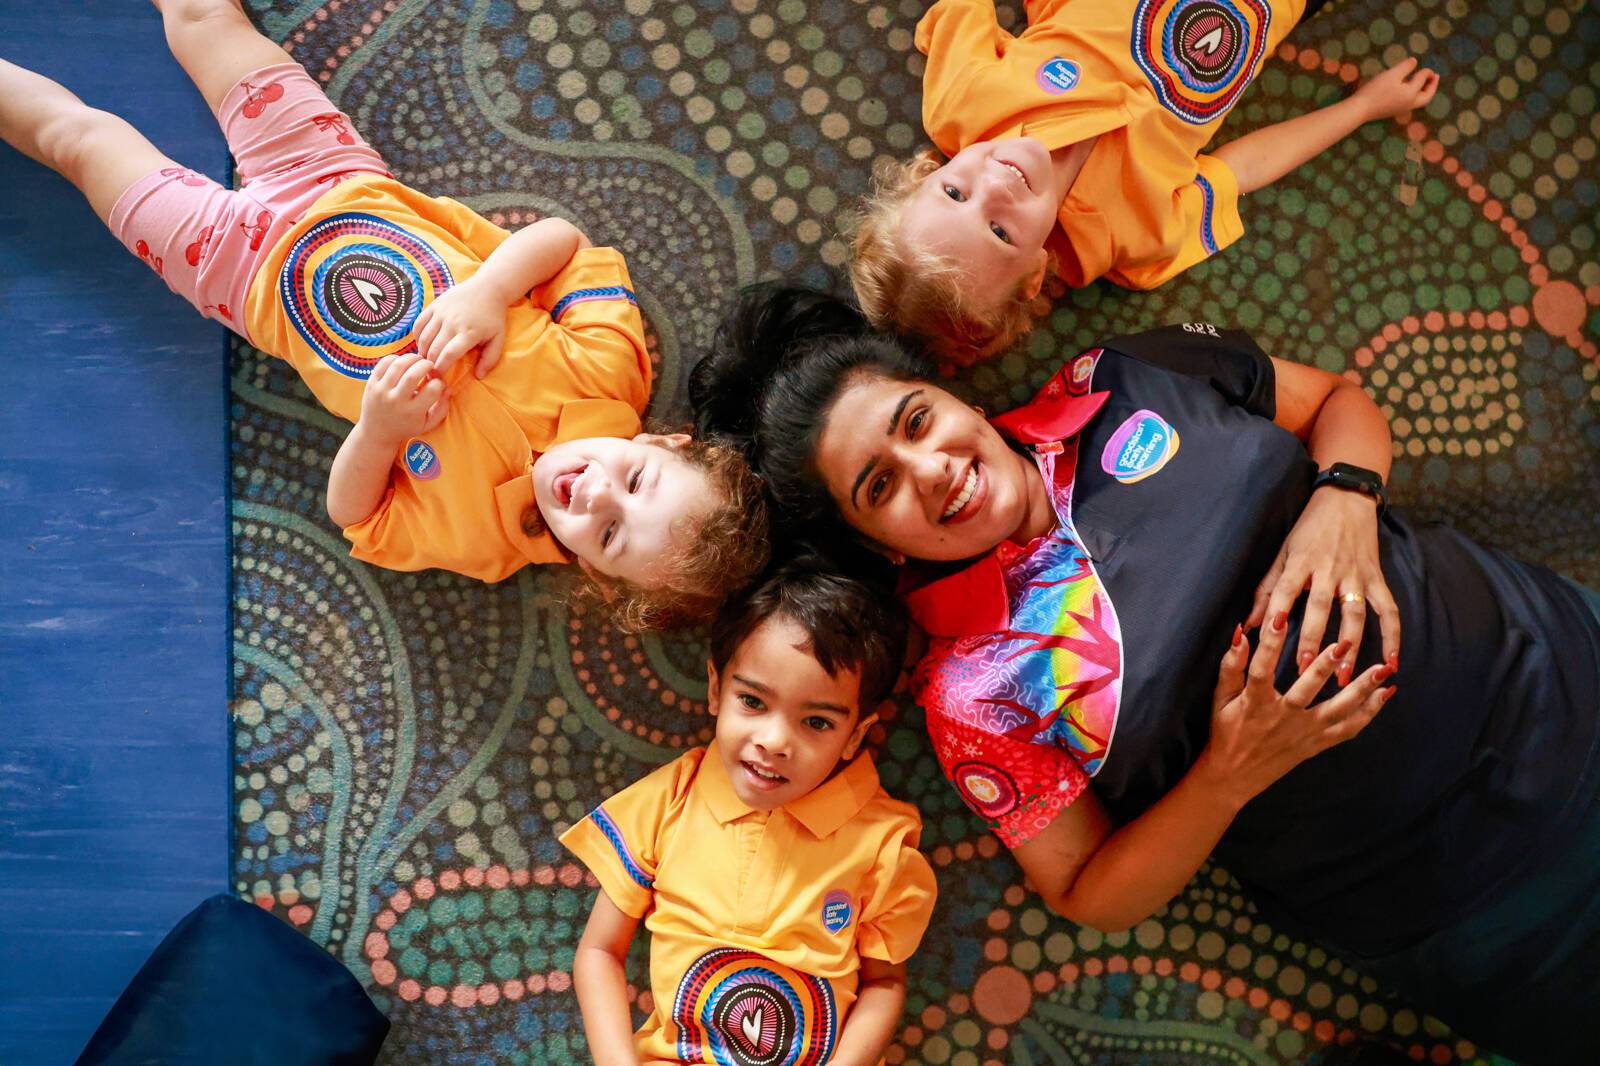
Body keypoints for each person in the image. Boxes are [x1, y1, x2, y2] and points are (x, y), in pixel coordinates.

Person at [691, 284, 1600, 1064]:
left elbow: (1341, 407)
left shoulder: (1121, 375)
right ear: (868, 540)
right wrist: (1228, 774)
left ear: (944, 391)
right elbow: (1089, 890)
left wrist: (1344, 499)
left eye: (917, 420)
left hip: (1560, 660)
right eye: (879, 486)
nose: (934, 471)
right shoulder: (973, 691)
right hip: (1483, 905)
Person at [0, 0, 767, 627]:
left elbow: (356, 516)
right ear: (666, 440)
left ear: (596, 576)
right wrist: (490, 292)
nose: (595, 495)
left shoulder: (487, 540)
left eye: (607, 535)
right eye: (635, 481)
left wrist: (379, 432)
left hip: (236, 271)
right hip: (330, 176)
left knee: (78, 141)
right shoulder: (611, 370)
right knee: (205, 22)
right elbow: (564, 244)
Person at [849, 0, 1440, 365]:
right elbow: (1244, 169)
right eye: (1000, 231)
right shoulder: (1135, 242)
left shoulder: (962, 103)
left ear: (929, 172)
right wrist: (1361, 108)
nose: (995, 187)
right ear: (1034, 274)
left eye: (954, 193)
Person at [563, 560, 938, 1065]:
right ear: (716, 689)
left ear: (855, 735)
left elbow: (885, 982)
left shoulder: (883, 841)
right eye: (753, 702)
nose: (775, 741)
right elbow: (598, 953)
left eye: (816, 722)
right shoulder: (672, 798)